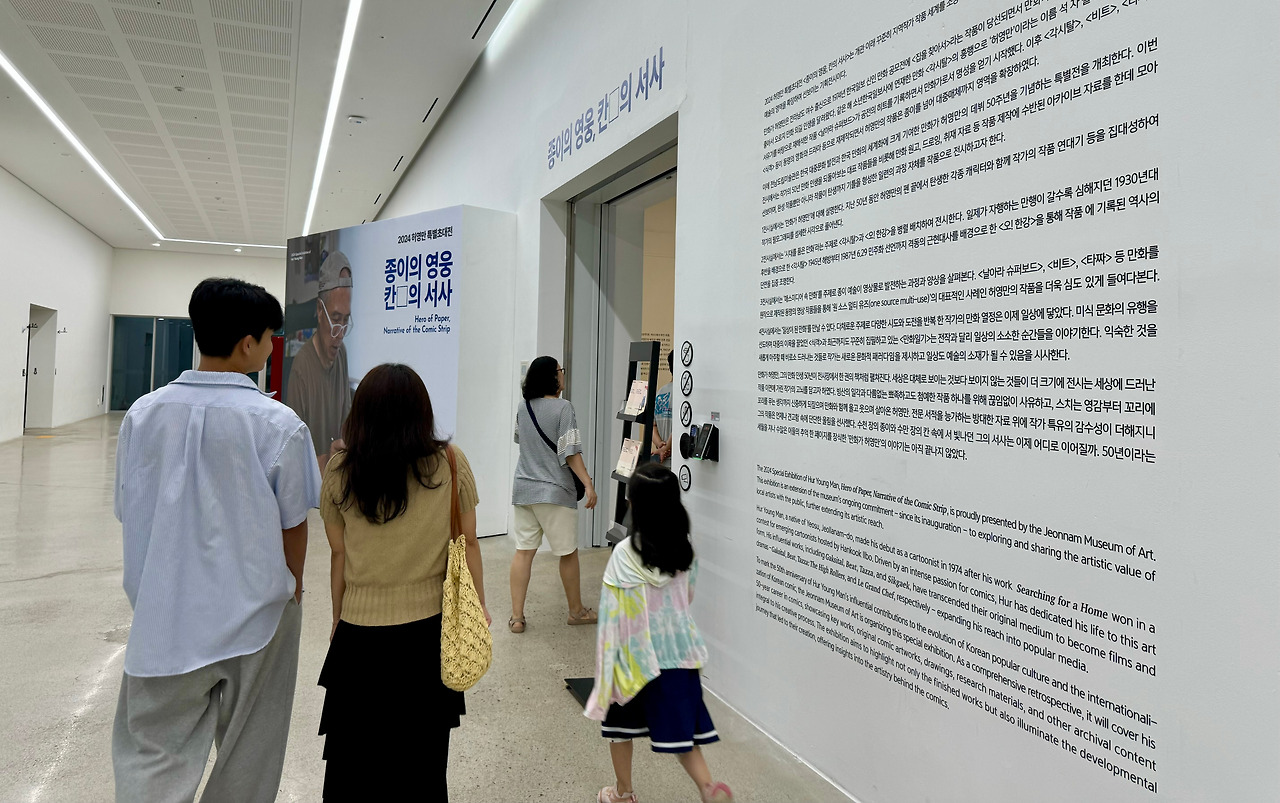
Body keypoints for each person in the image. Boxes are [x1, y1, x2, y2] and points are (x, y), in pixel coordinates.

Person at [112, 278, 321, 803]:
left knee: (152, 753)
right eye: (269, 338)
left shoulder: (142, 415)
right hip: (258, 613)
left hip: (163, 615)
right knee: (250, 750)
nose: (272, 348)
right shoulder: (279, 426)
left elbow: (127, 509)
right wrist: (294, 588)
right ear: (247, 344)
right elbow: (294, 523)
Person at [318, 363, 489, 801]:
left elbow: (338, 553)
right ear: (421, 413)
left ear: (360, 413)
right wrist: (480, 605)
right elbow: (469, 542)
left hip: (358, 641)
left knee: (352, 770)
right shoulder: (450, 463)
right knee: (422, 769)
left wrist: (338, 618)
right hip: (427, 638)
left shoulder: (340, 471)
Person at [585, 463, 733, 803]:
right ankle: (708, 789)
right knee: (684, 736)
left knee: (620, 731)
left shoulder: (624, 555)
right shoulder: (685, 551)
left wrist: (605, 670)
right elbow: (687, 597)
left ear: (634, 505)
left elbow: (610, 615)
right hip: (678, 657)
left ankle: (623, 793)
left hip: (632, 661)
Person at [508, 355, 598, 633]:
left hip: (524, 489)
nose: (563, 374)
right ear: (552, 376)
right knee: (568, 553)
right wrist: (588, 483)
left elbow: (520, 439)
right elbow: (570, 453)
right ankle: (576, 611)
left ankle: (516, 617)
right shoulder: (563, 407)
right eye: (560, 370)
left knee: (523, 552)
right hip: (555, 491)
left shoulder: (524, 407)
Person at [287, 250, 354, 471]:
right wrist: (327, 461)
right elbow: (292, 455)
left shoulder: (342, 354)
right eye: (335, 319)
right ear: (319, 310)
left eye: (345, 320)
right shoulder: (301, 368)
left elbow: (346, 425)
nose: (340, 332)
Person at [651, 350, 674, 467]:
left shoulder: (660, 392)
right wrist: (666, 448)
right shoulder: (684, 395)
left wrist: (660, 444)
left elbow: (652, 426)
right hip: (677, 460)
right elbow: (679, 428)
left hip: (661, 460)